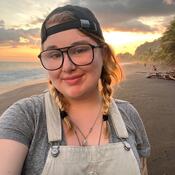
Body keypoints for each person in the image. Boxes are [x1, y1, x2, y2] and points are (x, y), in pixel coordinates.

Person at [0, 5, 150, 175]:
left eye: (79, 50)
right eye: (55, 55)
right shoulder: (25, 116)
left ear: (104, 54)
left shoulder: (128, 115)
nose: (67, 66)